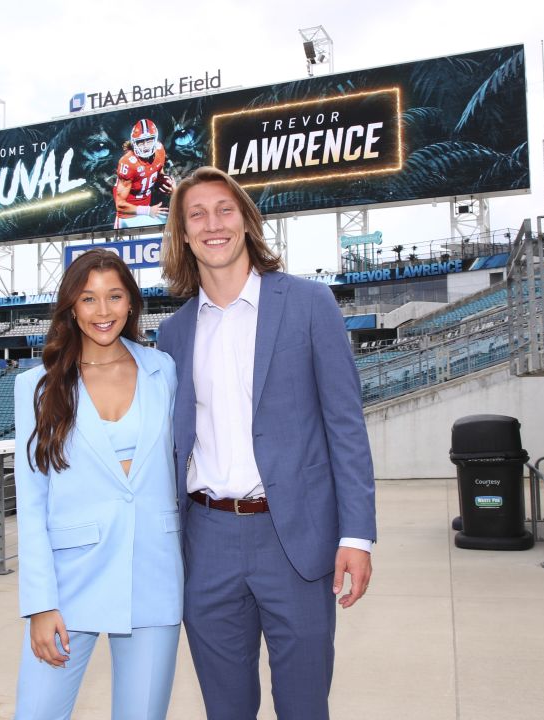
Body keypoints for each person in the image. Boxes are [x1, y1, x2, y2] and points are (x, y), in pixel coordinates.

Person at [157, 166, 377, 719]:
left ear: (247, 222)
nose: (213, 225)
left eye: (225, 210)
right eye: (197, 215)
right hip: (206, 542)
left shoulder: (309, 303)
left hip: (295, 541)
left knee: (304, 707)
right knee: (226, 710)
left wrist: (357, 535)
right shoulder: (174, 333)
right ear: (183, 235)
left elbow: (345, 425)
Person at [13, 249, 182, 719]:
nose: (102, 311)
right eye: (88, 299)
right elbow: (32, 503)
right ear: (71, 306)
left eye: (114, 296)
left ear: (131, 303)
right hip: (68, 586)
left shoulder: (161, 370)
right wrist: (40, 605)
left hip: (153, 575)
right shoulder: (37, 387)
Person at [113, 118, 175, 230]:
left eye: (149, 140)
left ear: (155, 139)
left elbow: (158, 172)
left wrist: (165, 183)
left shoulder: (159, 149)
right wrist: (148, 211)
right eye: (140, 142)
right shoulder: (128, 163)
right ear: (134, 142)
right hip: (128, 217)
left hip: (148, 210)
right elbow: (120, 205)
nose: (145, 146)